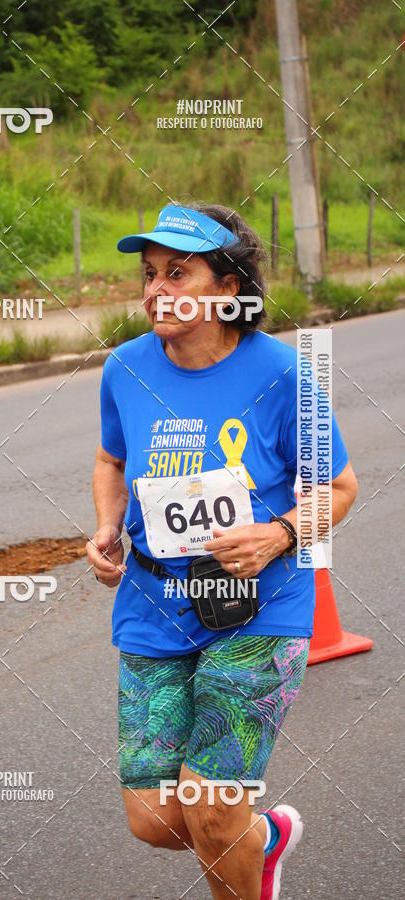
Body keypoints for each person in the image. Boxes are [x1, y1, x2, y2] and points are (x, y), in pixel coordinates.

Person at [86, 201, 358, 900]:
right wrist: (106, 526)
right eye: (150, 274)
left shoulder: (281, 374)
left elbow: (339, 486)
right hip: (153, 605)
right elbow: (111, 460)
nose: (155, 291)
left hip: (259, 604)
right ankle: (261, 841)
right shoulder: (124, 368)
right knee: (156, 820)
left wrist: (280, 534)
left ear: (228, 288)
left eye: (178, 272)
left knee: (211, 807)